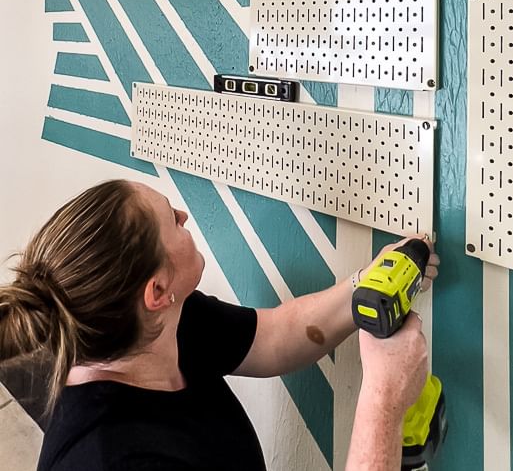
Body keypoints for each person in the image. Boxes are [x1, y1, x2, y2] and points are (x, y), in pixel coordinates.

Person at [0, 179, 439, 471]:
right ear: (157, 291)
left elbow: (272, 337)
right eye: (170, 218)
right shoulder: (114, 459)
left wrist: (366, 285)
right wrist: (383, 404)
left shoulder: (158, 325)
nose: (184, 217)